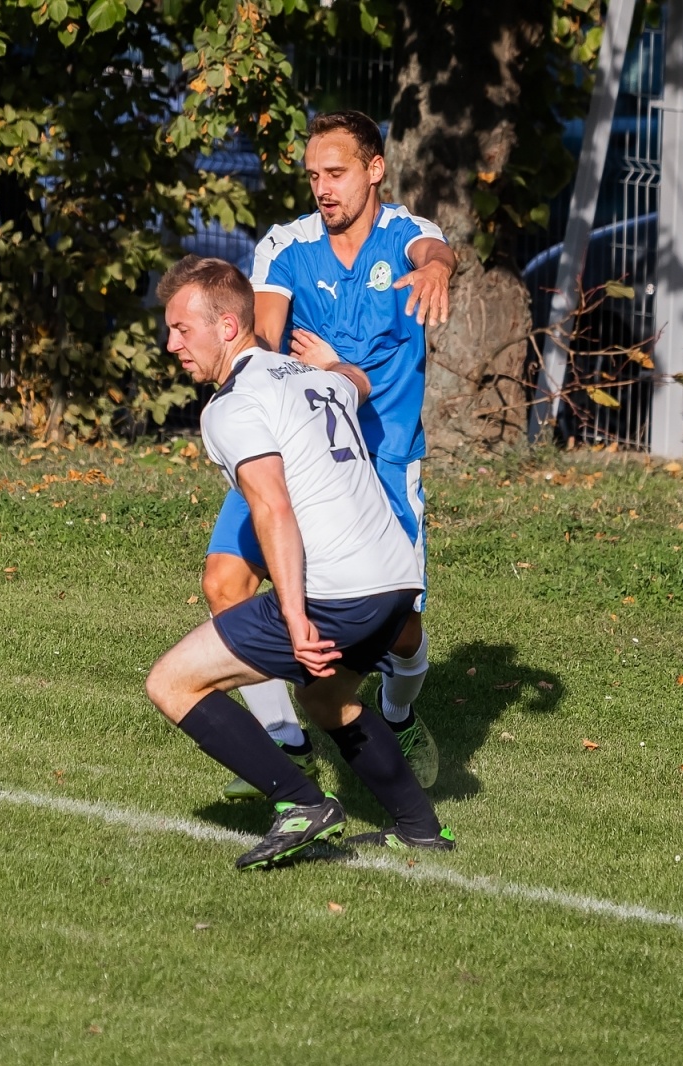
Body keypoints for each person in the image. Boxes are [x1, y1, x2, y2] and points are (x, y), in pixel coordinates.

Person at [144, 255, 454, 870]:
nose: (172, 343)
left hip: (337, 589)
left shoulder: (230, 408)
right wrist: (331, 364)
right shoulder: (314, 378)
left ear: (229, 327)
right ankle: (420, 829)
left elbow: (273, 510)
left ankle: (300, 803)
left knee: (171, 682)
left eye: (183, 329)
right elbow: (358, 381)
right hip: (395, 579)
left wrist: (293, 616)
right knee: (326, 702)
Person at [207, 110, 456, 800]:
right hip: (297, 451)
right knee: (226, 583)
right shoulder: (288, 246)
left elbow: (434, 255)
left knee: (400, 628)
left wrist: (436, 272)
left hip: (382, 458)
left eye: (337, 172)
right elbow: (263, 337)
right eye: (313, 174)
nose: (323, 187)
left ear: (375, 169)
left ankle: (398, 715)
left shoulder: (407, 235)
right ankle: (285, 742)